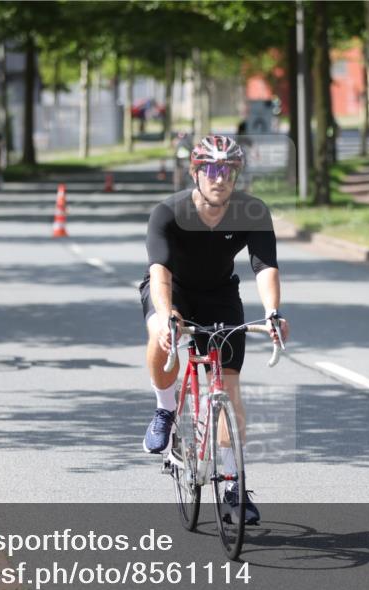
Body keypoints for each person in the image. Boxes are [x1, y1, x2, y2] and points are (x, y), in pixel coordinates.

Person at [138, 134, 290, 526]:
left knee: (226, 386)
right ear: (195, 172)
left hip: (220, 294)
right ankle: (165, 408)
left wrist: (273, 312)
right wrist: (169, 314)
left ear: (236, 175)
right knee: (161, 332)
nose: (218, 178)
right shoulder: (168, 213)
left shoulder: (252, 212)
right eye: (210, 169)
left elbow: (265, 267)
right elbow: (159, 274)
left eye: (227, 170)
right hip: (173, 290)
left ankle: (234, 487)